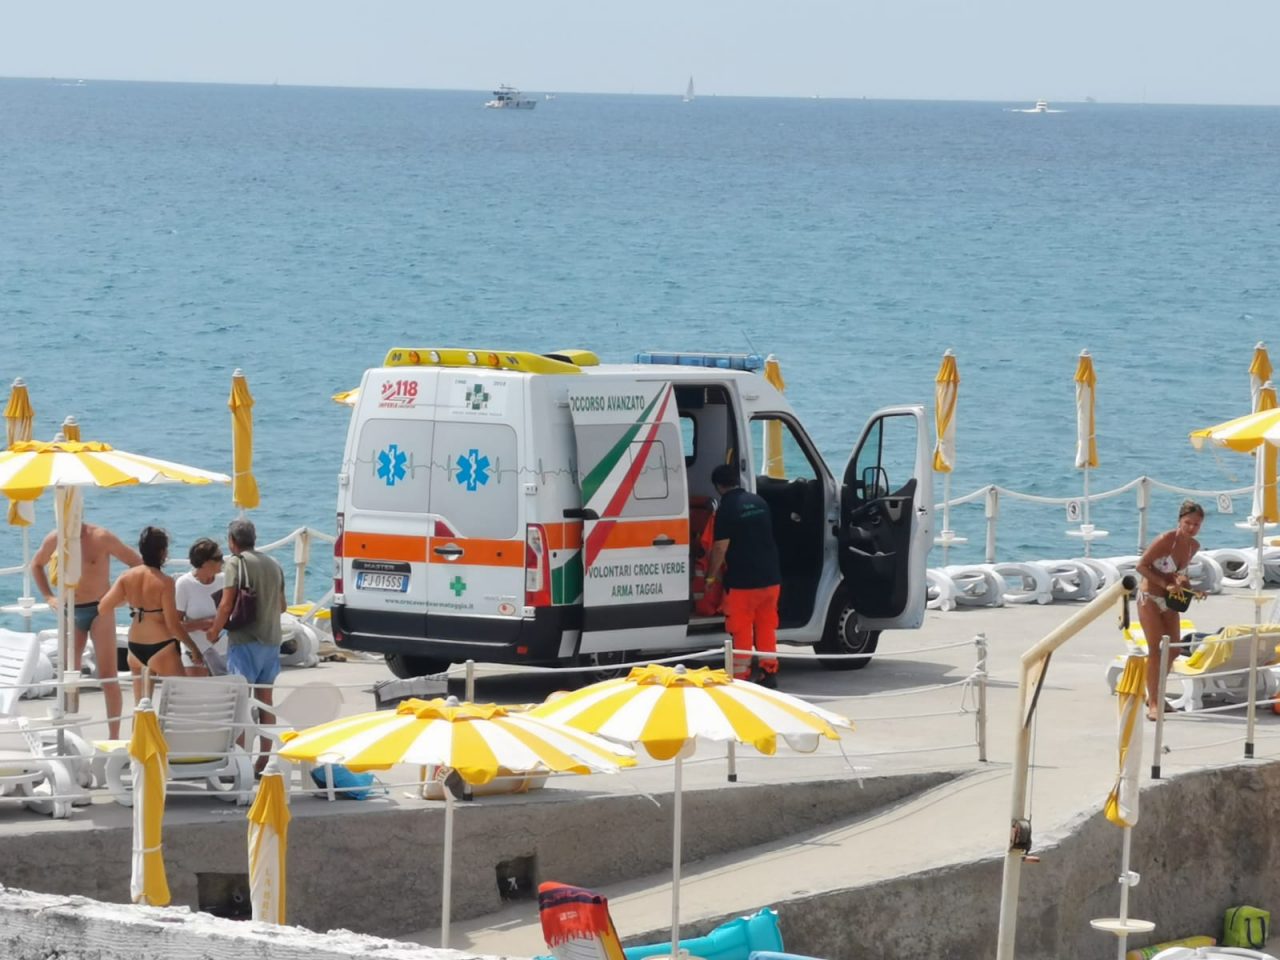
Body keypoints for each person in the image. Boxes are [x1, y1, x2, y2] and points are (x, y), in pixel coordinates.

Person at [31, 519, 142, 739]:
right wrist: (48, 596)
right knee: (69, 675)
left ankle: (114, 737)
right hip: (70, 609)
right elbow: (36, 565)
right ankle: (71, 736)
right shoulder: (55, 538)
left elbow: (136, 563)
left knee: (108, 675)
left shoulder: (101, 537)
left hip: (100, 609)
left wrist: (120, 595)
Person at [207, 519, 286, 773]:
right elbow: (282, 606)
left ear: (232, 541)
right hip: (272, 640)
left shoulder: (235, 563)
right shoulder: (274, 565)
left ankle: (239, 761)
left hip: (245, 641)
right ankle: (263, 759)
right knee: (265, 700)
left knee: (241, 703)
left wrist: (214, 631)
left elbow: (226, 604)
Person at [97, 526, 202, 703]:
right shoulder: (165, 582)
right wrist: (194, 648)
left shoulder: (126, 576)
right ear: (162, 552)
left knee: (141, 708)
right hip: (160, 647)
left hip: (135, 647)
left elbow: (103, 608)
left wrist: (131, 602)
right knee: (184, 700)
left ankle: (138, 732)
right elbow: (173, 624)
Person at [705, 464, 782, 687]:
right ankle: (769, 673)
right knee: (767, 626)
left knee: (741, 628)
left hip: (743, 582)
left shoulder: (726, 509)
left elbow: (720, 548)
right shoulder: (759, 502)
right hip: (771, 578)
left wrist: (710, 578)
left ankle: (741, 677)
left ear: (719, 486)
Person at [1135, 499, 1205, 720]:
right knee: (1155, 649)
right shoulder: (1166, 540)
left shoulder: (1193, 546)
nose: (1191, 528)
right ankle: (1154, 702)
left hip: (1170, 600)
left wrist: (1194, 590)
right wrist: (1165, 584)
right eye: (1188, 523)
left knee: (1173, 649)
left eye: (1196, 524)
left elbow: (1179, 575)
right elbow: (1141, 566)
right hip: (1150, 598)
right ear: (1180, 521)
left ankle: (1155, 693)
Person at [175, 538, 227, 676]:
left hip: (224, 651)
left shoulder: (224, 580)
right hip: (196, 652)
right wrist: (202, 624)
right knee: (198, 695)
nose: (223, 561)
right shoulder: (184, 584)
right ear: (204, 563)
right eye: (218, 558)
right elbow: (175, 625)